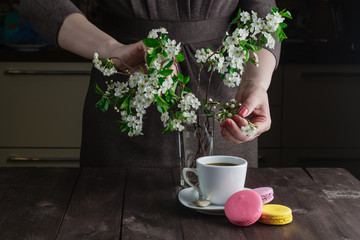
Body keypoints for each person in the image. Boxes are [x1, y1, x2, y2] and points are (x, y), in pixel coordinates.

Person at [20, 0, 280, 168]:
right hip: (128, 82)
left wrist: (256, 83)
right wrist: (113, 50)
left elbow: (263, 14)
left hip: (222, 97)